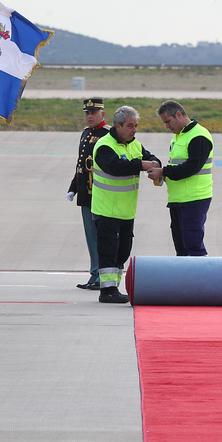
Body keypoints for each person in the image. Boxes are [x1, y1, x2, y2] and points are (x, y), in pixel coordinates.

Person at [91, 106, 160, 303]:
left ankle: (115, 287)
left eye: (136, 126)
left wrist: (154, 163)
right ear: (118, 126)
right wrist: (141, 165)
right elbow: (114, 167)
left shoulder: (134, 145)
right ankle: (107, 290)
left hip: (126, 211)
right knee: (108, 252)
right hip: (107, 210)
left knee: (123, 251)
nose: (134, 130)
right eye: (130, 126)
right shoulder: (105, 146)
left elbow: (150, 157)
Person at [147, 100, 213, 256]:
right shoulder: (178, 137)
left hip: (194, 199)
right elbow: (177, 166)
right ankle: (186, 280)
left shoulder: (199, 135)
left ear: (178, 114)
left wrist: (164, 171)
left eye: (168, 122)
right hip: (178, 199)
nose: (167, 126)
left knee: (193, 246)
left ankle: (201, 279)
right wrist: (162, 173)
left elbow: (192, 167)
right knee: (181, 247)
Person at [67, 99, 110, 290]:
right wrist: (73, 187)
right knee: (91, 236)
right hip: (86, 194)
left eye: (93, 113)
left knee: (102, 236)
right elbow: (81, 165)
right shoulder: (85, 134)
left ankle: (102, 275)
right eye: (87, 113)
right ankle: (94, 275)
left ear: (102, 114)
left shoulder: (108, 135)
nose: (89, 116)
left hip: (101, 193)